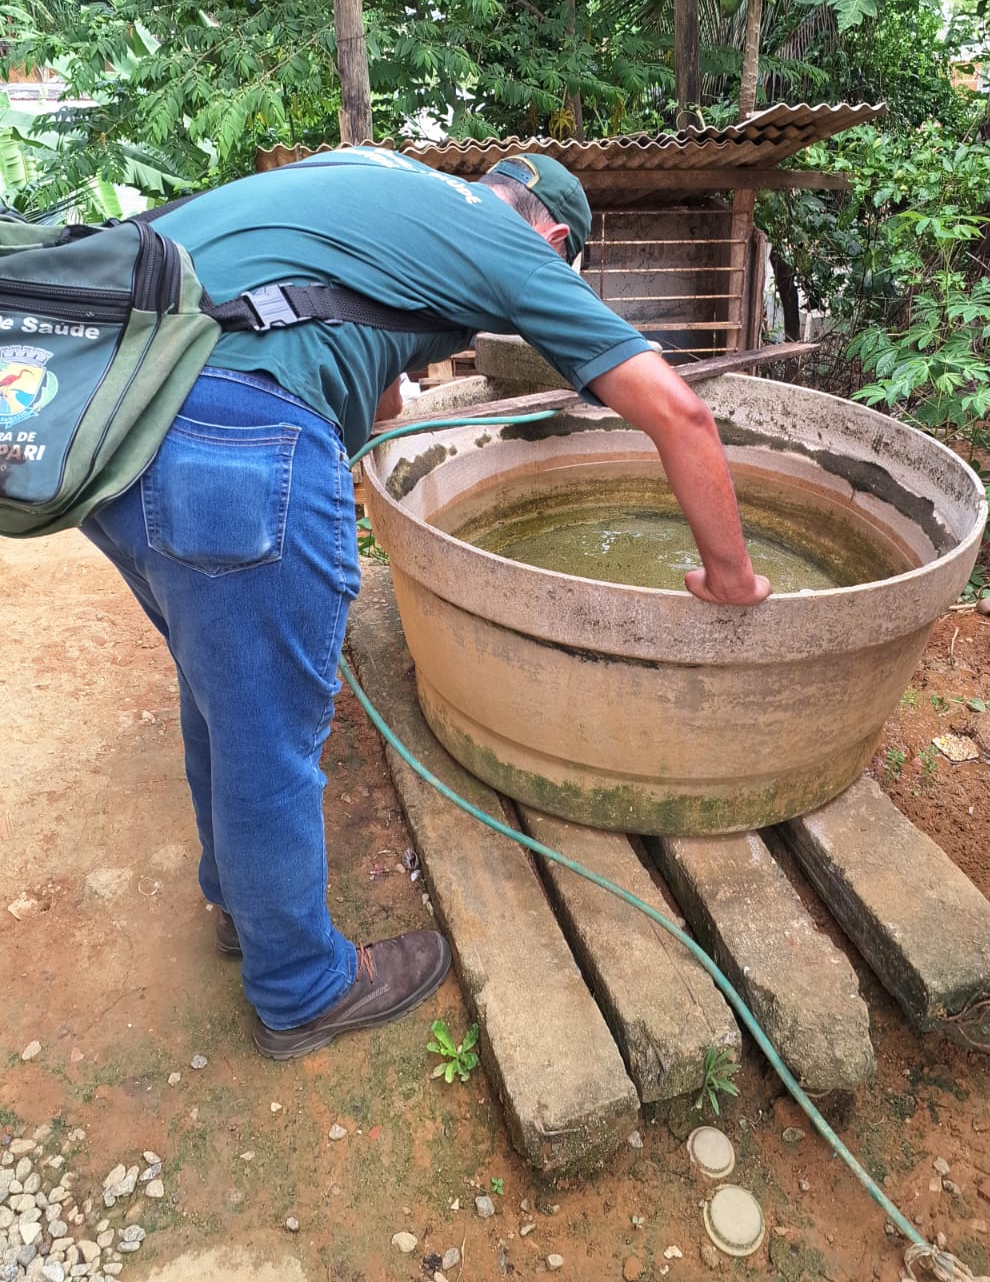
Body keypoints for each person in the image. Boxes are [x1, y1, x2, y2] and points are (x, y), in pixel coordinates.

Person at [79, 145, 770, 1062]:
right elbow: (680, 414)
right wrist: (732, 582)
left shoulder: (382, 180)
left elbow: (366, 384)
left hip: (105, 422)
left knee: (225, 688)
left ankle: (241, 905)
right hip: (231, 436)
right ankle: (301, 989)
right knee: (271, 736)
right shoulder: (509, 243)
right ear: (554, 235)